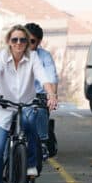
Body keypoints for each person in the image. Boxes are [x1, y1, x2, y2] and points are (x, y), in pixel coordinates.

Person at [0, 25, 57, 183]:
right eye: (14, 39)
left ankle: (30, 163)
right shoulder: (2, 56)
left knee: (30, 124)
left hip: (24, 104)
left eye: (23, 40)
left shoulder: (33, 58)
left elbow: (43, 77)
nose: (18, 43)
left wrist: (51, 94)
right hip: (2, 106)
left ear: (27, 42)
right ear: (9, 41)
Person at [25, 22, 59, 161]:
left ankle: (43, 142)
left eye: (31, 41)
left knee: (40, 110)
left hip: (38, 94)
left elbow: (52, 78)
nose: (26, 44)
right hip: (17, 95)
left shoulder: (45, 56)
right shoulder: (12, 53)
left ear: (39, 42)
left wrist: (52, 97)